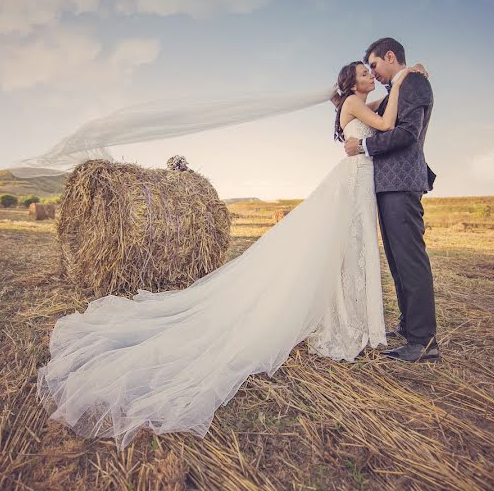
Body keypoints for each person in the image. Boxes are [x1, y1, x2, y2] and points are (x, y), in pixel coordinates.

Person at [36, 59, 426, 449]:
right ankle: (347, 322)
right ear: (351, 83)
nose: (370, 77)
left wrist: (383, 91)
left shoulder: (357, 103)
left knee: (349, 250)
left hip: (359, 180)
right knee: (345, 248)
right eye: (364, 73)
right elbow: (389, 123)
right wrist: (403, 79)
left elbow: (376, 113)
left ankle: (351, 319)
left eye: (371, 71)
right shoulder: (356, 105)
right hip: (354, 178)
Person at [343, 37, 438, 363]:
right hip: (386, 186)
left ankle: (424, 342)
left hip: (402, 183)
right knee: (398, 262)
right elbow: (348, 103)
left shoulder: (413, 83)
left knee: (410, 260)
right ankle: (410, 327)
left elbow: (408, 132)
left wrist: (365, 148)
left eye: (374, 65)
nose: (373, 72)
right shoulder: (395, 91)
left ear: (390, 56)